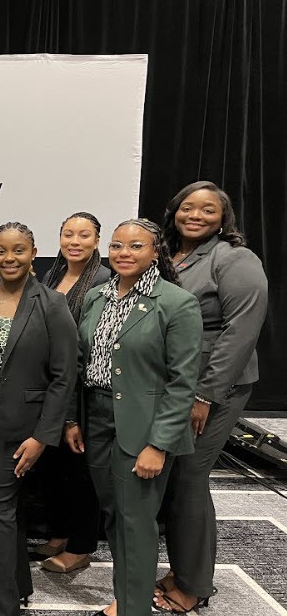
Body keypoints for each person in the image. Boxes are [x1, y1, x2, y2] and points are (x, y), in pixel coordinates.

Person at [66, 218, 202, 616]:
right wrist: (73, 420)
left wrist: (158, 444)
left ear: (155, 252)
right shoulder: (96, 297)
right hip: (97, 419)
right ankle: (126, 598)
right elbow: (81, 363)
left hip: (143, 427)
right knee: (115, 519)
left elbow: (182, 383)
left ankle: (133, 608)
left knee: (136, 523)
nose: (124, 253)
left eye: (136, 246)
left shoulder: (177, 303)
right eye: (117, 246)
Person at [0, 222, 78, 616]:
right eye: (1, 251)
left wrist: (42, 436)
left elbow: (63, 377)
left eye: (18, 250)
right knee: (6, 510)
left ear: (33, 252)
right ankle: (17, 585)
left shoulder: (51, 304)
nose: (9, 259)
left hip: (16, 426)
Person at [152, 182, 268, 614]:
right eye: (187, 207)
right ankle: (184, 569)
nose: (195, 215)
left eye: (208, 209)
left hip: (213, 388)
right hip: (172, 383)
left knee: (189, 479)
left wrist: (205, 395)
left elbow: (241, 332)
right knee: (176, 479)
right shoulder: (169, 255)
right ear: (174, 210)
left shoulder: (234, 259)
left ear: (224, 217)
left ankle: (193, 585)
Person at [36, 212, 112, 573]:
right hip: (51, 384)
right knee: (57, 468)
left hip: (82, 390)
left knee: (81, 471)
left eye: (84, 235)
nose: (75, 242)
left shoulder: (103, 281)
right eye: (68, 234)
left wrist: (70, 411)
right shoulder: (52, 274)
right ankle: (61, 531)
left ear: (97, 241)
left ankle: (81, 545)